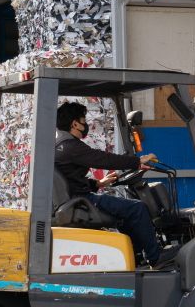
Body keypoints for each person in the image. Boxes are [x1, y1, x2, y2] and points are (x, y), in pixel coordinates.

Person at [54, 102, 178, 268]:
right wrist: (137, 161)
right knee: (137, 208)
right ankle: (155, 257)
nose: (85, 124)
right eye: (83, 120)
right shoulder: (71, 146)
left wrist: (98, 183)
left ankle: (136, 255)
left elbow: (70, 179)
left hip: (76, 198)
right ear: (75, 124)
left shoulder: (59, 145)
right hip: (82, 200)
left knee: (122, 212)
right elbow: (104, 159)